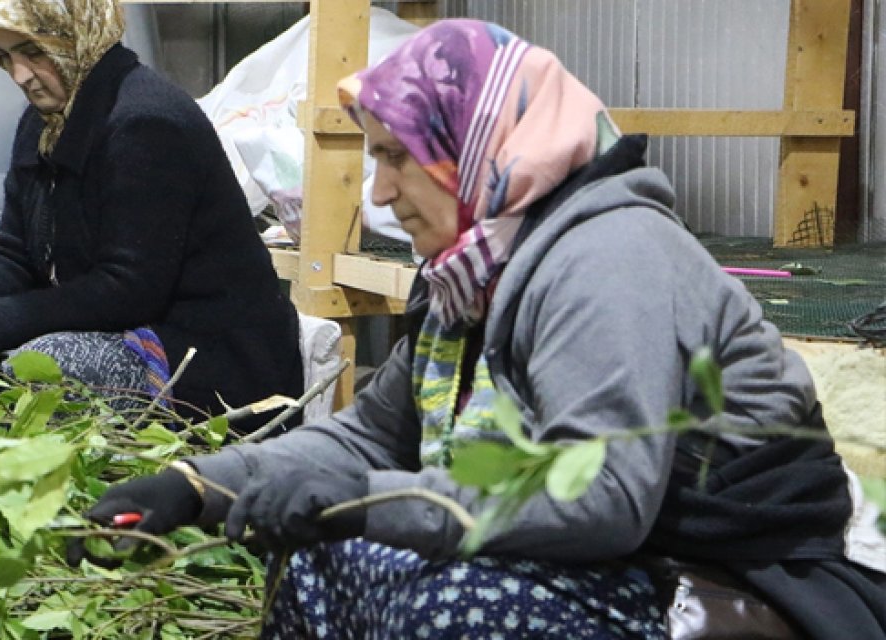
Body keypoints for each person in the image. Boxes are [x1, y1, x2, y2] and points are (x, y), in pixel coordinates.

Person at [72, 19, 886, 639]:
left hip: (735, 579)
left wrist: (360, 503)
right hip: (620, 565)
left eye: (397, 159)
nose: (381, 194)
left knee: (452, 605)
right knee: (318, 562)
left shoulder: (606, 258)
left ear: (480, 150)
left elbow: (600, 495)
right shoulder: (470, 280)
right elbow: (367, 443)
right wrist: (200, 485)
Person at [0, 0, 304, 432]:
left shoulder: (145, 122)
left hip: (207, 357)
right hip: (125, 327)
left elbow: (128, 289)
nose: (20, 75)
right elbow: (15, 254)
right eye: (6, 57)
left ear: (76, 37)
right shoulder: (45, 124)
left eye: (33, 52)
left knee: (40, 371)